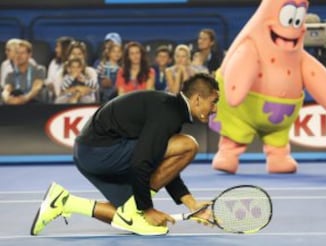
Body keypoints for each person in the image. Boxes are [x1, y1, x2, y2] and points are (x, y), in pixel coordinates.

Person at [30, 73, 219, 236]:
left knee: (126, 214)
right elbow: (142, 161)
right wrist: (147, 209)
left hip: (89, 153)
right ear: (196, 99)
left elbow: (160, 162)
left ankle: (64, 201)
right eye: (213, 102)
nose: (215, 109)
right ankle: (136, 210)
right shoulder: (167, 113)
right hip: (99, 152)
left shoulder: (170, 109)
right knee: (188, 145)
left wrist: (191, 203)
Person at [1, 40, 46, 105]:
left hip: (34, 105)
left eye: (22, 53)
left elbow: (36, 88)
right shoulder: (10, 74)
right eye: (17, 53)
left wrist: (24, 99)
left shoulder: (39, 70)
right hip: (15, 105)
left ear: (29, 55)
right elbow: (6, 90)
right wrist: (7, 99)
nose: (19, 56)